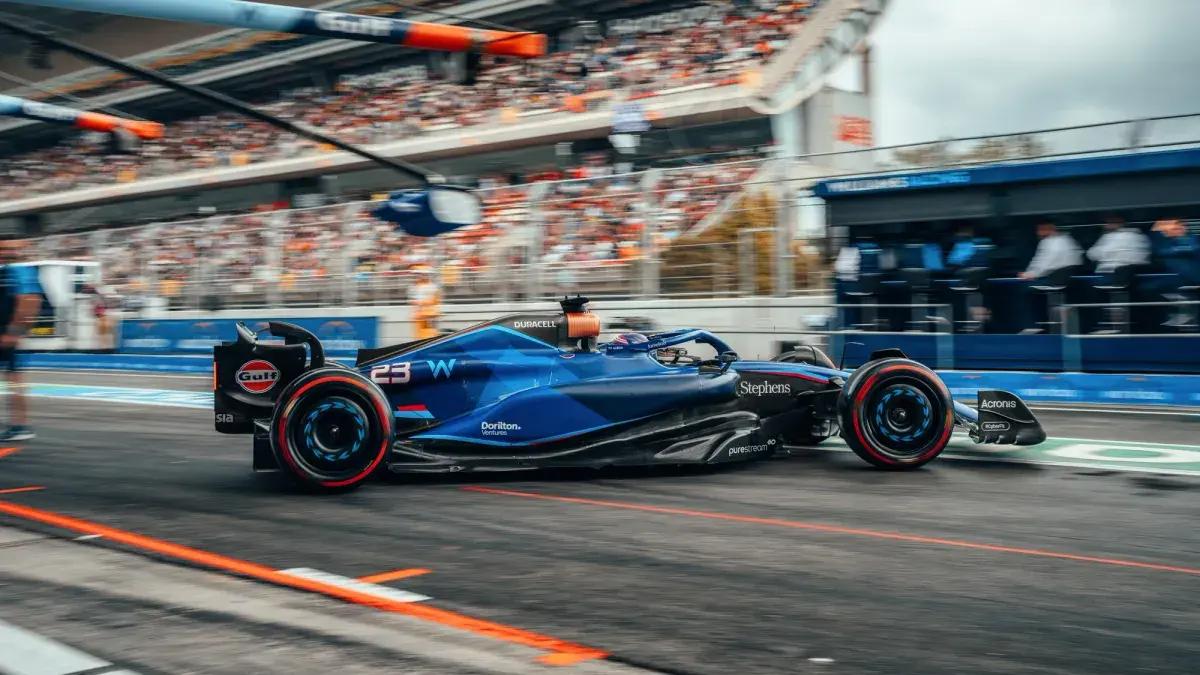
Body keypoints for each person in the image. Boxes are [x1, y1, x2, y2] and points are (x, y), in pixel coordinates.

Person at [0, 238, 43, 441]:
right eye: (2, 248)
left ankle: (20, 425)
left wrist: (14, 332)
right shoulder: (7, 270)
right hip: (6, 331)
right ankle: (19, 425)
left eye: (9, 248)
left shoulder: (20, 271)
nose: (5, 252)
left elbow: (30, 302)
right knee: (13, 378)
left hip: (7, 333)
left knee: (14, 378)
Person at [1148, 218, 1200, 328]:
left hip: (1191, 277)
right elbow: (1158, 251)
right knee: (1148, 288)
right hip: (1174, 278)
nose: (1168, 231)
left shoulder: (1193, 238)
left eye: (1177, 228)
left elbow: (1192, 249)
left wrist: (1174, 250)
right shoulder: (1165, 242)